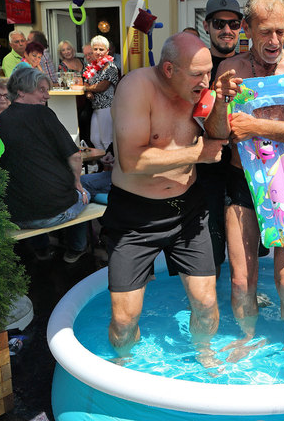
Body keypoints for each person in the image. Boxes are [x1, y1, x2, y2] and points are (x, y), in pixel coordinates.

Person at [205, 0, 284, 370]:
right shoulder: (230, 69)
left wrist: (258, 126)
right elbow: (217, 132)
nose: (274, 41)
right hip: (242, 185)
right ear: (247, 29)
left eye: (281, 31)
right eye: (265, 32)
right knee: (241, 281)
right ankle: (247, 337)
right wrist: (222, 100)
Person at [105, 32, 226, 364]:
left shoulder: (200, 90)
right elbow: (130, 162)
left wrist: (223, 102)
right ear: (169, 69)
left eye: (209, 72)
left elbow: (219, 137)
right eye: (197, 74)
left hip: (188, 210)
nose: (206, 81)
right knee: (124, 319)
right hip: (135, 216)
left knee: (206, 302)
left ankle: (202, 351)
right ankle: (125, 362)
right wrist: (197, 153)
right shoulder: (136, 88)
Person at [0, 68, 90, 263]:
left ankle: (42, 249)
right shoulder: (43, 113)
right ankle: (76, 249)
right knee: (87, 191)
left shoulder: (2, 119)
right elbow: (75, 156)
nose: (47, 96)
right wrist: (78, 182)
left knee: (30, 188)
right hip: (52, 213)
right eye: (41, 90)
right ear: (21, 91)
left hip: (16, 215)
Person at [196, 0, 244, 273]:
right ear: (207, 25)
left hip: (243, 168)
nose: (227, 30)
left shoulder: (250, 66)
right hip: (207, 169)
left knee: (249, 248)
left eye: (233, 24)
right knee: (210, 248)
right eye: (219, 23)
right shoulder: (195, 68)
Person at [83, 35, 119, 150]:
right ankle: (104, 164)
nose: (98, 52)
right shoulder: (93, 67)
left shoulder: (111, 67)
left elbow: (102, 86)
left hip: (107, 107)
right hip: (96, 107)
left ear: (107, 51)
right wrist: (88, 92)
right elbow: (86, 82)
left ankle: (111, 165)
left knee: (107, 140)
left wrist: (86, 89)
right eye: (95, 49)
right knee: (95, 139)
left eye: (101, 49)